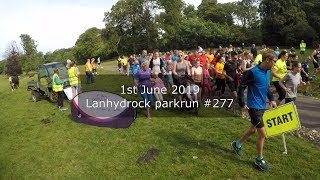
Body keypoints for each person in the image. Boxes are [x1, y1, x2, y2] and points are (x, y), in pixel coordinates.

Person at [233, 49, 277, 171]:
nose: (275, 63)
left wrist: (272, 99)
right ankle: (259, 159)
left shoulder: (267, 72)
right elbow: (241, 87)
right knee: (262, 133)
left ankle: (236, 144)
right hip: (253, 107)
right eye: (274, 61)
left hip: (262, 106)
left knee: (252, 130)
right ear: (267, 60)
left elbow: (266, 87)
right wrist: (242, 103)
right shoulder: (252, 72)